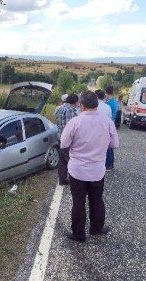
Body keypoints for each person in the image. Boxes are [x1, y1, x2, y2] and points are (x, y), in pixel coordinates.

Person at [60, 90, 119, 242]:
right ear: (96, 104)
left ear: (82, 105)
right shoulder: (107, 122)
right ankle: (96, 228)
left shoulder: (75, 122)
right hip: (97, 170)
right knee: (97, 199)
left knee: (78, 201)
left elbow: (64, 144)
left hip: (77, 169)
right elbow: (115, 144)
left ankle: (79, 234)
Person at [55, 93, 80, 185]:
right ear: (75, 101)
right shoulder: (70, 111)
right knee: (71, 160)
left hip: (60, 137)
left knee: (62, 160)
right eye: (78, 101)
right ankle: (76, 180)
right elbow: (70, 128)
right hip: (67, 140)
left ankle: (62, 179)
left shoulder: (60, 108)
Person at [105, 86, 118, 171]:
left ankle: (108, 164)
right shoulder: (114, 101)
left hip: (109, 124)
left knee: (108, 145)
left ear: (106, 92)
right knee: (111, 145)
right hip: (112, 123)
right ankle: (111, 164)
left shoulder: (109, 103)